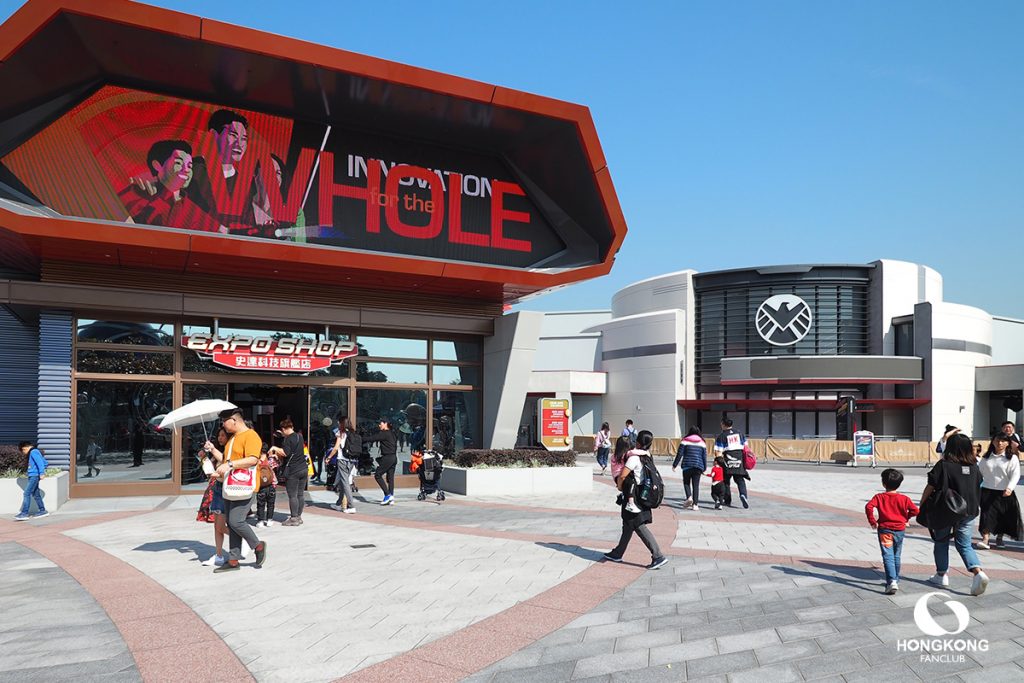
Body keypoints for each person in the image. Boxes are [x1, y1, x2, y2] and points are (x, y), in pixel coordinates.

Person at [920, 433, 988, 596]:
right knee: (964, 544)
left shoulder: (944, 465)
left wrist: (922, 503)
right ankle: (978, 572)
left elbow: (931, 485)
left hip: (946, 510)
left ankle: (941, 575)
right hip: (969, 510)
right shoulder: (974, 467)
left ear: (950, 447)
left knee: (941, 541)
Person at [119, 140, 223, 232]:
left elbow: (221, 232)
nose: (186, 170)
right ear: (157, 165)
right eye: (179, 163)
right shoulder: (137, 192)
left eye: (189, 166)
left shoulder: (191, 208)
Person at [208, 408, 266, 572]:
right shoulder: (233, 438)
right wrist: (213, 452)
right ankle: (233, 560)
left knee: (236, 521)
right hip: (230, 486)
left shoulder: (251, 436)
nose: (223, 425)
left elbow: (253, 459)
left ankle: (258, 546)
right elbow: (226, 460)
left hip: (245, 486)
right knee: (231, 523)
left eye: (224, 421)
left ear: (234, 420)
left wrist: (230, 465)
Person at [603, 431, 667, 570]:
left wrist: (619, 486)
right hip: (642, 493)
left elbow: (622, 476)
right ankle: (618, 553)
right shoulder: (647, 455)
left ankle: (658, 556)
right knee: (628, 524)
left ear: (637, 442)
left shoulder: (633, 458)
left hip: (634, 497)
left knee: (638, 525)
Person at [865, 469, 919, 595]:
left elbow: (868, 506)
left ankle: (891, 581)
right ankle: (896, 579)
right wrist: (905, 518)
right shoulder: (904, 498)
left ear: (883, 484)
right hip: (900, 530)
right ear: (899, 484)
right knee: (896, 555)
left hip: (885, 530)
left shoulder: (879, 497)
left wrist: (872, 521)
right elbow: (916, 511)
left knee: (887, 555)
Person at [198, 427, 247, 566]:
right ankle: (219, 555)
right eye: (219, 435)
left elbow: (227, 463)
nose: (220, 438)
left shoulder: (231, 452)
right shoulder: (218, 452)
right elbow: (213, 468)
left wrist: (212, 449)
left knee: (221, 526)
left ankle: (243, 540)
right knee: (216, 526)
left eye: (223, 435)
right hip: (217, 488)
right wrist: (203, 458)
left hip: (228, 489)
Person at [975, 433, 1023, 549]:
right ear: (993, 442)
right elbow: (979, 473)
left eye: (1003, 441)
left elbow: (1015, 474)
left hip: (1004, 492)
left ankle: (999, 538)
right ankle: (985, 540)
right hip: (987, 491)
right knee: (986, 515)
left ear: (1008, 443)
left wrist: (1010, 488)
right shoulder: (987, 457)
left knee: (1002, 516)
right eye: (997, 440)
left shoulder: (1011, 458)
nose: (999, 443)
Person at [269, 417, 307, 526]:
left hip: (293, 470)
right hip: (303, 468)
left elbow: (285, 453)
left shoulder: (288, 439)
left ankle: (294, 518)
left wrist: (274, 448)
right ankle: (298, 517)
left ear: (284, 429)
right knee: (300, 494)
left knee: (292, 495)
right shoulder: (299, 436)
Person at [714, 418, 750, 508]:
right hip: (739, 458)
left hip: (728, 459)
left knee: (726, 481)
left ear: (723, 424)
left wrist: (718, 462)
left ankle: (727, 500)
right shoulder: (739, 433)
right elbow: (746, 447)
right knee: (740, 480)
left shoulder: (721, 436)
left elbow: (718, 452)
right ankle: (743, 495)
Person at [330, 416, 361, 514]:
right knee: (343, 482)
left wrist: (329, 457)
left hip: (342, 460)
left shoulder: (341, 433)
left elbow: (336, 448)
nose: (338, 424)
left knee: (345, 482)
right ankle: (338, 504)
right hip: (352, 460)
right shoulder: (353, 432)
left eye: (339, 423)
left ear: (341, 423)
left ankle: (351, 506)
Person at [365, 419, 398, 505]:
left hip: (387, 457)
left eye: (380, 424)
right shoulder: (392, 433)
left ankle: (387, 495)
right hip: (394, 457)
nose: (379, 425)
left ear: (386, 424)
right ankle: (391, 496)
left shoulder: (384, 433)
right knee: (390, 478)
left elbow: (372, 438)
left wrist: (359, 439)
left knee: (378, 475)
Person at [673, 426, 707, 510]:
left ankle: (689, 497)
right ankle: (695, 505)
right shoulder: (702, 442)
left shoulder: (685, 440)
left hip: (687, 465)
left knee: (686, 482)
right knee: (696, 485)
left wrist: (674, 465)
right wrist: (704, 467)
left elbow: (679, 453)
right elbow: (704, 456)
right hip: (698, 466)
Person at [14, 441, 48, 521]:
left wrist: (41, 473)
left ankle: (24, 513)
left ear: (24, 448)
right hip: (33, 475)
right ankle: (42, 510)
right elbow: (45, 463)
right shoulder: (34, 452)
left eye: (23, 451)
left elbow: (40, 463)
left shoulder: (33, 452)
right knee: (36, 494)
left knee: (26, 493)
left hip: (34, 476)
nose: (24, 453)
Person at [256, 445, 280, 527]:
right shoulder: (271, 460)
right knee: (271, 504)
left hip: (261, 485)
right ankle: (269, 520)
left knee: (260, 504)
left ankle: (260, 521)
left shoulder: (257, 461)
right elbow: (278, 465)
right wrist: (274, 456)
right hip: (271, 484)